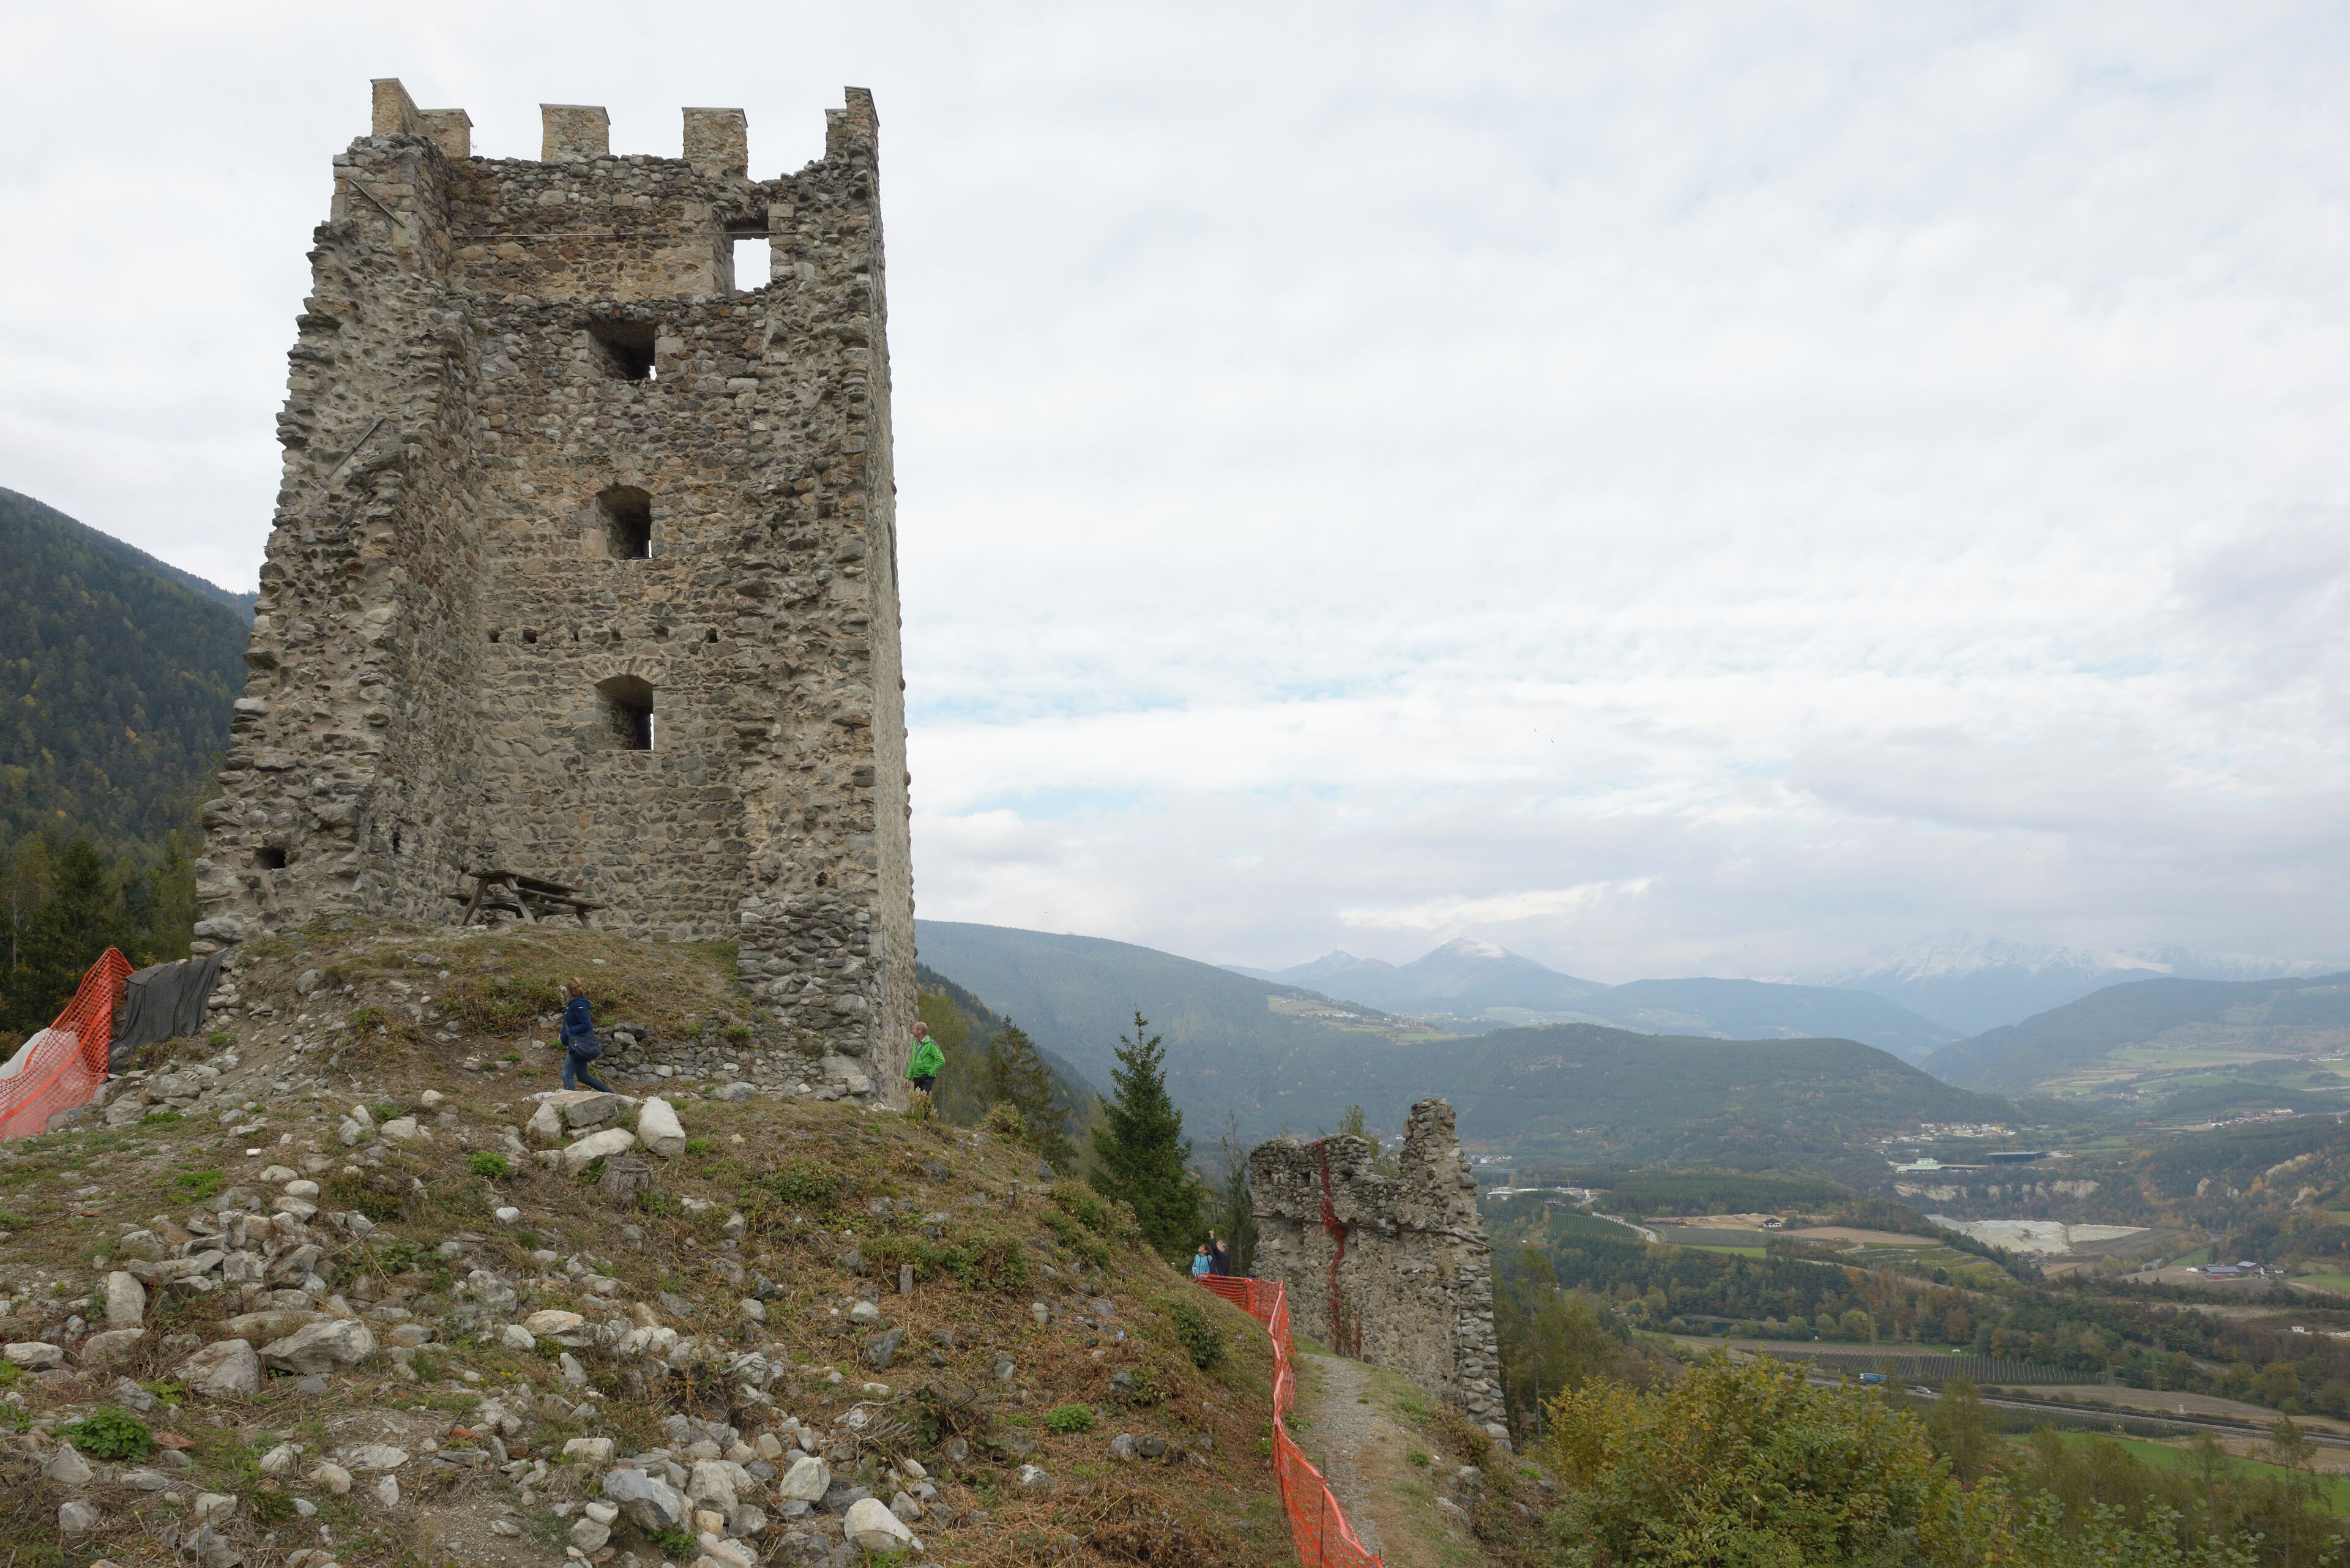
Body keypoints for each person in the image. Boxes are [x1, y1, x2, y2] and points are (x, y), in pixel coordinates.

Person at [559, 980, 614, 1093]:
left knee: (567, 1074)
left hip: (577, 1045)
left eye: (566, 990)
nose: (564, 992)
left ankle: (569, 1102)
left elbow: (587, 1025)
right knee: (583, 1076)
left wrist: (570, 1032)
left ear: (569, 991)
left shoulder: (578, 1005)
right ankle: (610, 1093)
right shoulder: (573, 1005)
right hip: (575, 1045)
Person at [907, 1020, 944, 1096]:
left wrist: (930, 1074)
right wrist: (908, 1077)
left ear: (920, 1031)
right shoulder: (915, 1043)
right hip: (917, 1077)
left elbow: (941, 1061)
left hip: (926, 1078)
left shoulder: (931, 1044)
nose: (912, 1031)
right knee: (918, 1101)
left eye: (914, 1029)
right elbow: (912, 1061)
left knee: (924, 1101)